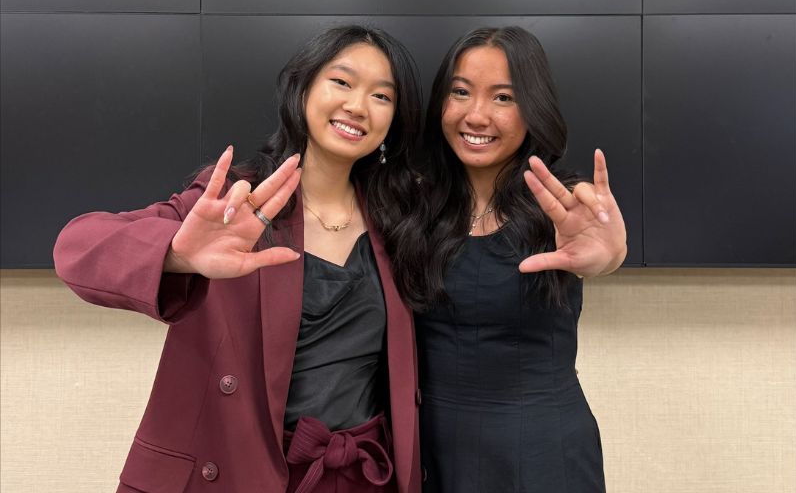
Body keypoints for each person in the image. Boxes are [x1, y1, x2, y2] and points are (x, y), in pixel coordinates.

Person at [53, 25, 425, 493]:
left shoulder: (399, 220)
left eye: (381, 96)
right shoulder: (236, 200)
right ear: (302, 90)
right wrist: (177, 254)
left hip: (362, 476)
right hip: (234, 472)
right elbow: (77, 249)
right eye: (342, 82)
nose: (357, 105)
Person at [412, 26, 627, 492]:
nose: (476, 115)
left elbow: (602, 254)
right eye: (460, 92)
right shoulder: (413, 208)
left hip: (541, 452)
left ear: (533, 109)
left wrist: (607, 257)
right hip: (429, 452)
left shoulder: (562, 208)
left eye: (503, 98)